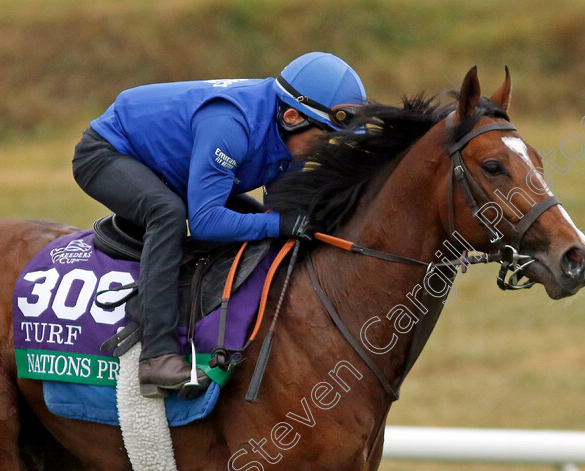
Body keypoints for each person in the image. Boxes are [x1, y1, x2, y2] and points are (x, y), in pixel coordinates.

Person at [72, 52, 367, 398]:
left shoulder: (289, 126)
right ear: (291, 116)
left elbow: (282, 212)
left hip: (174, 166)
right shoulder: (231, 125)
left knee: (260, 223)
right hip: (108, 152)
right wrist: (277, 223)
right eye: (327, 139)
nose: (327, 152)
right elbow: (204, 222)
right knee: (167, 213)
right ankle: (156, 357)